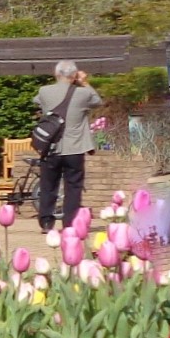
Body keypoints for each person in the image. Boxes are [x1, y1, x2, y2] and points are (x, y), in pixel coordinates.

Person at [34, 59, 103, 235]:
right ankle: (70, 223)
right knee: (73, 186)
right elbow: (97, 101)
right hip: (75, 148)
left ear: (56, 74)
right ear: (74, 76)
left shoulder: (44, 91)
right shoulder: (83, 94)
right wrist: (84, 82)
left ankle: (47, 222)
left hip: (51, 147)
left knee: (48, 185)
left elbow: (37, 101)